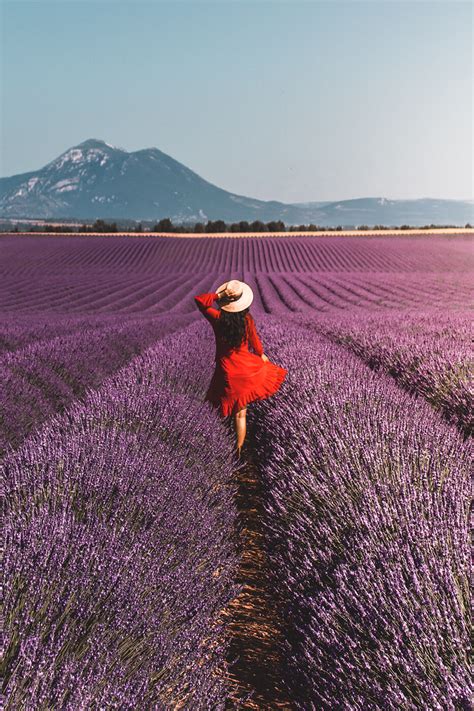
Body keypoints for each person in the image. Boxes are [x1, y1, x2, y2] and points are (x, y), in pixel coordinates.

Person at [194, 279, 288, 458]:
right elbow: (256, 343)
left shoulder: (217, 318)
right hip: (246, 369)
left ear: (226, 303)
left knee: (217, 408)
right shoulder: (247, 320)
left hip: (227, 371)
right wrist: (261, 355)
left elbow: (199, 300)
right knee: (240, 415)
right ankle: (238, 451)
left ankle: (214, 446)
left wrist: (218, 296)